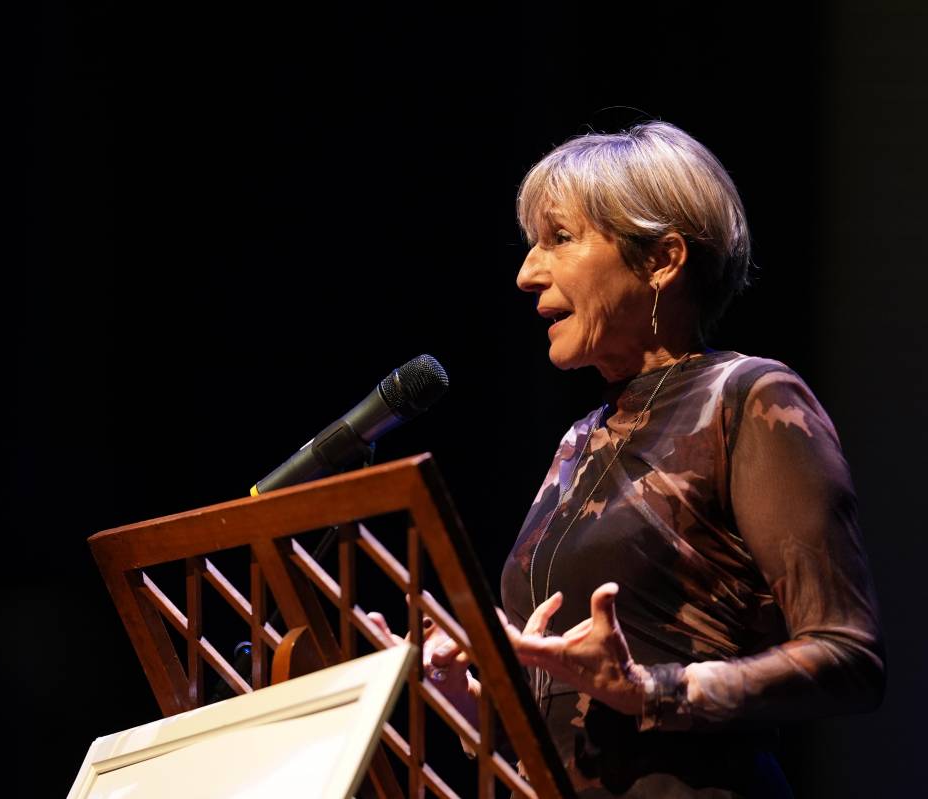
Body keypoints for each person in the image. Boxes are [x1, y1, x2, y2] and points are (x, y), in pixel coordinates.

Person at [372, 121, 884, 798]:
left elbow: (850, 657)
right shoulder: (578, 440)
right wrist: (460, 696)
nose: (527, 272)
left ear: (662, 259)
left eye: (559, 238)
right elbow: (563, 725)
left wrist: (650, 689)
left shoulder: (748, 399)